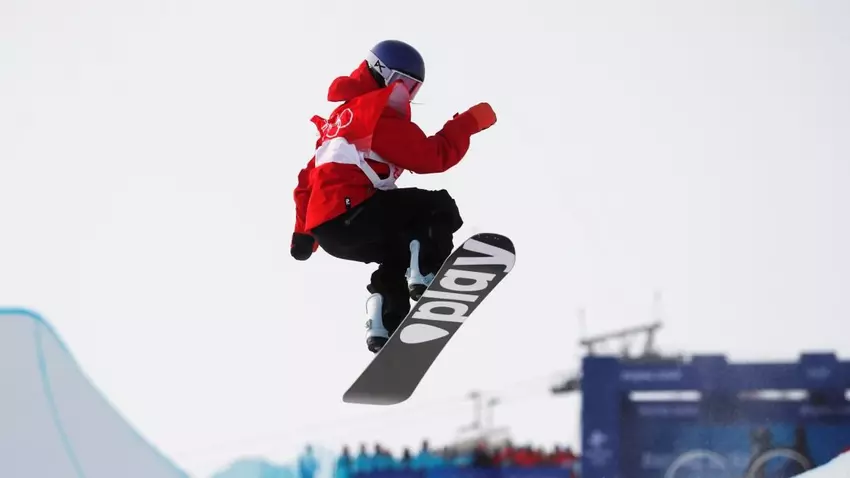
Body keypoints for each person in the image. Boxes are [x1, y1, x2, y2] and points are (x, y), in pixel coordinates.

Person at [289, 39, 497, 353]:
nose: (406, 93)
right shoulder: (374, 113)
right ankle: (426, 270)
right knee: (436, 207)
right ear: (380, 72)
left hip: (331, 231)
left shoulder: (338, 124)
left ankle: (385, 319)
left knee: (399, 250)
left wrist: (304, 235)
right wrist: (466, 124)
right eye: (402, 82)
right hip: (355, 213)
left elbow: (308, 182)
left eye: (413, 88)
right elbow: (431, 156)